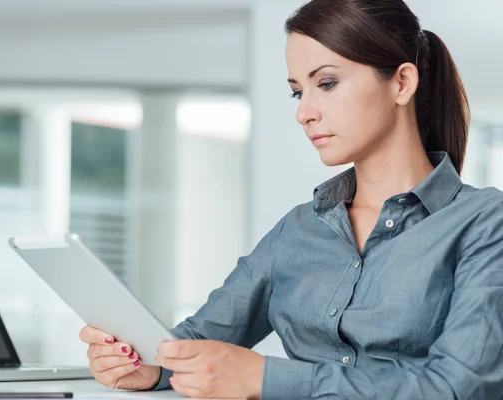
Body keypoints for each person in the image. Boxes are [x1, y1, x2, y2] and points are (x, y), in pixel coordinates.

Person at [79, 0, 503, 398]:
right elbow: (197, 341)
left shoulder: (484, 223)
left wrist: (265, 378)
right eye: (299, 92)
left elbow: (458, 386)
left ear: (402, 82)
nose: (304, 112)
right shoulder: (299, 229)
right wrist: (149, 367)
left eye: (327, 83)